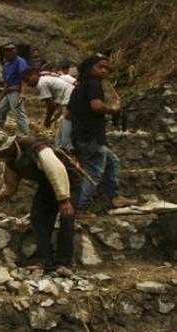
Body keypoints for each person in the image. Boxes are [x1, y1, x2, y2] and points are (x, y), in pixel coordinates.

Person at [0, 132, 80, 275]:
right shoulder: (11, 159)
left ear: (6, 147)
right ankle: (45, 260)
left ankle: (65, 263)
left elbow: (57, 171)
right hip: (47, 185)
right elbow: (10, 184)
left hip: (68, 182)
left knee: (66, 219)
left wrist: (64, 200)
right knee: (38, 217)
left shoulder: (36, 147)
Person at [68, 53, 135, 214]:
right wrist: (112, 110)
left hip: (80, 136)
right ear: (90, 69)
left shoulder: (78, 87)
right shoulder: (93, 84)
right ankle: (77, 209)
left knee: (113, 161)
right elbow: (97, 106)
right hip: (92, 137)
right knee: (94, 174)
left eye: (106, 68)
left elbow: (67, 115)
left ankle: (115, 196)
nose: (104, 71)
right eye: (100, 67)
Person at [21, 67, 75, 151]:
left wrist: (47, 120)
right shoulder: (45, 79)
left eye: (28, 80)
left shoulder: (41, 83)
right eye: (26, 82)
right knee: (62, 126)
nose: (28, 84)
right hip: (69, 97)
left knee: (67, 122)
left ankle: (68, 147)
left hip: (70, 97)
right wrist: (59, 111)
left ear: (34, 75)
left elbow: (51, 106)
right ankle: (59, 146)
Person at [0, 43, 29, 135]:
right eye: (7, 51)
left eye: (11, 51)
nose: (9, 53)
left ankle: (24, 135)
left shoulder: (20, 62)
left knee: (19, 114)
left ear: (15, 51)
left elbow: (24, 78)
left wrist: (23, 93)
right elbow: (6, 83)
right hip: (8, 91)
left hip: (16, 92)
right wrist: (0, 98)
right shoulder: (6, 65)